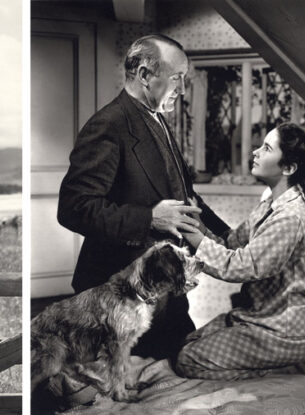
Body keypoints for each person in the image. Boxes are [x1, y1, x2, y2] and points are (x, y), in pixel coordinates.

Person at [56, 34, 229, 360]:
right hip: (119, 299)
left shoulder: (157, 118)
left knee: (181, 372)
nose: (183, 88)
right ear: (145, 75)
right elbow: (74, 208)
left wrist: (230, 236)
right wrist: (149, 218)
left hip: (163, 289)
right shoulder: (108, 125)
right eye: (177, 78)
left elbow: (186, 195)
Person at [174, 123, 305, 380]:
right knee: (187, 341)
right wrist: (198, 224)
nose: (255, 152)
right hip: (260, 317)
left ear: (288, 168)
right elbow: (233, 243)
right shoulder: (271, 202)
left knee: (187, 361)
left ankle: (286, 371)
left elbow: (243, 266)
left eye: (266, 148)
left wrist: (197, 240)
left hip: (284, 329)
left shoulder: (291, 216)